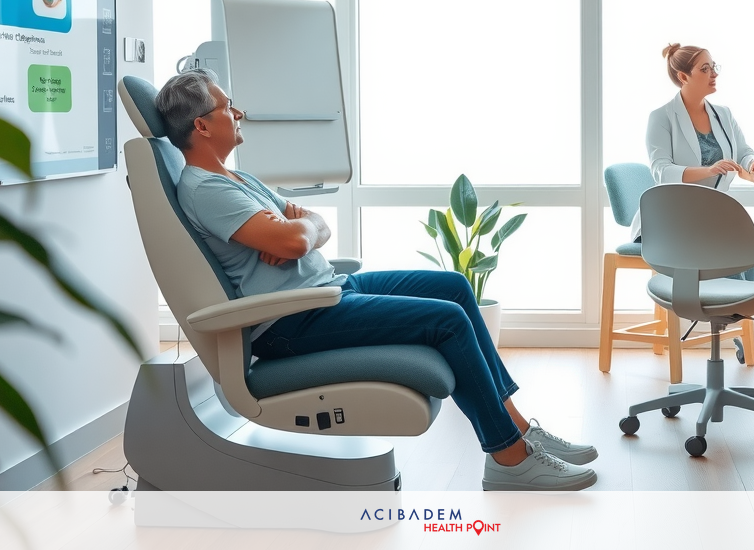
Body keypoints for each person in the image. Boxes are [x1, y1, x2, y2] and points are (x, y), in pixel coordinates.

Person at [154, 68, 598, 491]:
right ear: (203, 126)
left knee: (454, 287)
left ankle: (520, 429)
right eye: (228, 107)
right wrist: (300, 234)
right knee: (448, 321)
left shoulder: (236, 177)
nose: (238, 113)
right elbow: (294, 242)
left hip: (325, 290)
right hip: (293, 320)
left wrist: (304, 229)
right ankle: (510, 458)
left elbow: (311, 229)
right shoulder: (207, 190)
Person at [629, 44, 754, 281]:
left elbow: (742, 152)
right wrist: (708, 170)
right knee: (734, 255)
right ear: (683, 77)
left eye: (713, 67)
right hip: (671, 219)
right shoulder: (661, 117)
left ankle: (728, 311)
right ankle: (726, 310)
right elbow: (662, 171)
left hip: (708, 216)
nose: (713, 74)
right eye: (705, 69)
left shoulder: (723, 114)